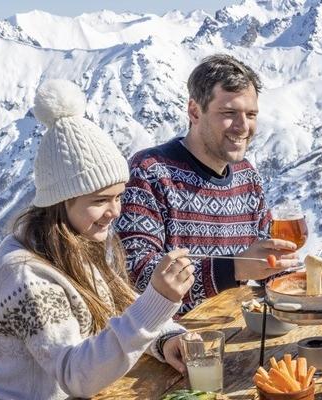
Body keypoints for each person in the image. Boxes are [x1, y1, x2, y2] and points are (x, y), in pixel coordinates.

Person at [0, 80, 193, 399]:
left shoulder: (69, 244)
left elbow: (114, 312)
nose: (114, 211)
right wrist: (158, 299)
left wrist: (165, 338)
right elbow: (76, 375)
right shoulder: (26, 275)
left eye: (118, 197)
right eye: (100, 200)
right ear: (61, 201)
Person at [115, 54, 298, 314]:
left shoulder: (246, 175)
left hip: (237, 330)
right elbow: (137, 274)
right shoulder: (151, 172)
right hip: (174, 341)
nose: (243, 126)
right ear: (194, 111)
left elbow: (265, 255)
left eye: (251, 114)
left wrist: (292, 276)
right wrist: (233, 268)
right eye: (229, 113)